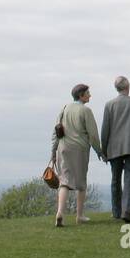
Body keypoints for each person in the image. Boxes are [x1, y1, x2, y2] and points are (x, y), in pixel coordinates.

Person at [50, 83, 104, 227]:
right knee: (80, 183)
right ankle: (79, 216)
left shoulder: (64, 109)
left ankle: (60, 212)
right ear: (81, 95)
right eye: (88, 93)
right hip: (79, 149)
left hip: (63, 148)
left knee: (64, 182)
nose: (90, 95)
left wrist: (53, 152)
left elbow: (56, 131)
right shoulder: (86, 111)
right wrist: (99, 151)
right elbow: (93, 134)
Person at [100, 75, 130, 223]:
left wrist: (104, 149)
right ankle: (126, 211)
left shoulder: (109, 105)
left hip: (114, 148)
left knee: (115, 180)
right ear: (128, 87)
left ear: (117, 88)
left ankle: (116, 211)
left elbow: (105, 129)